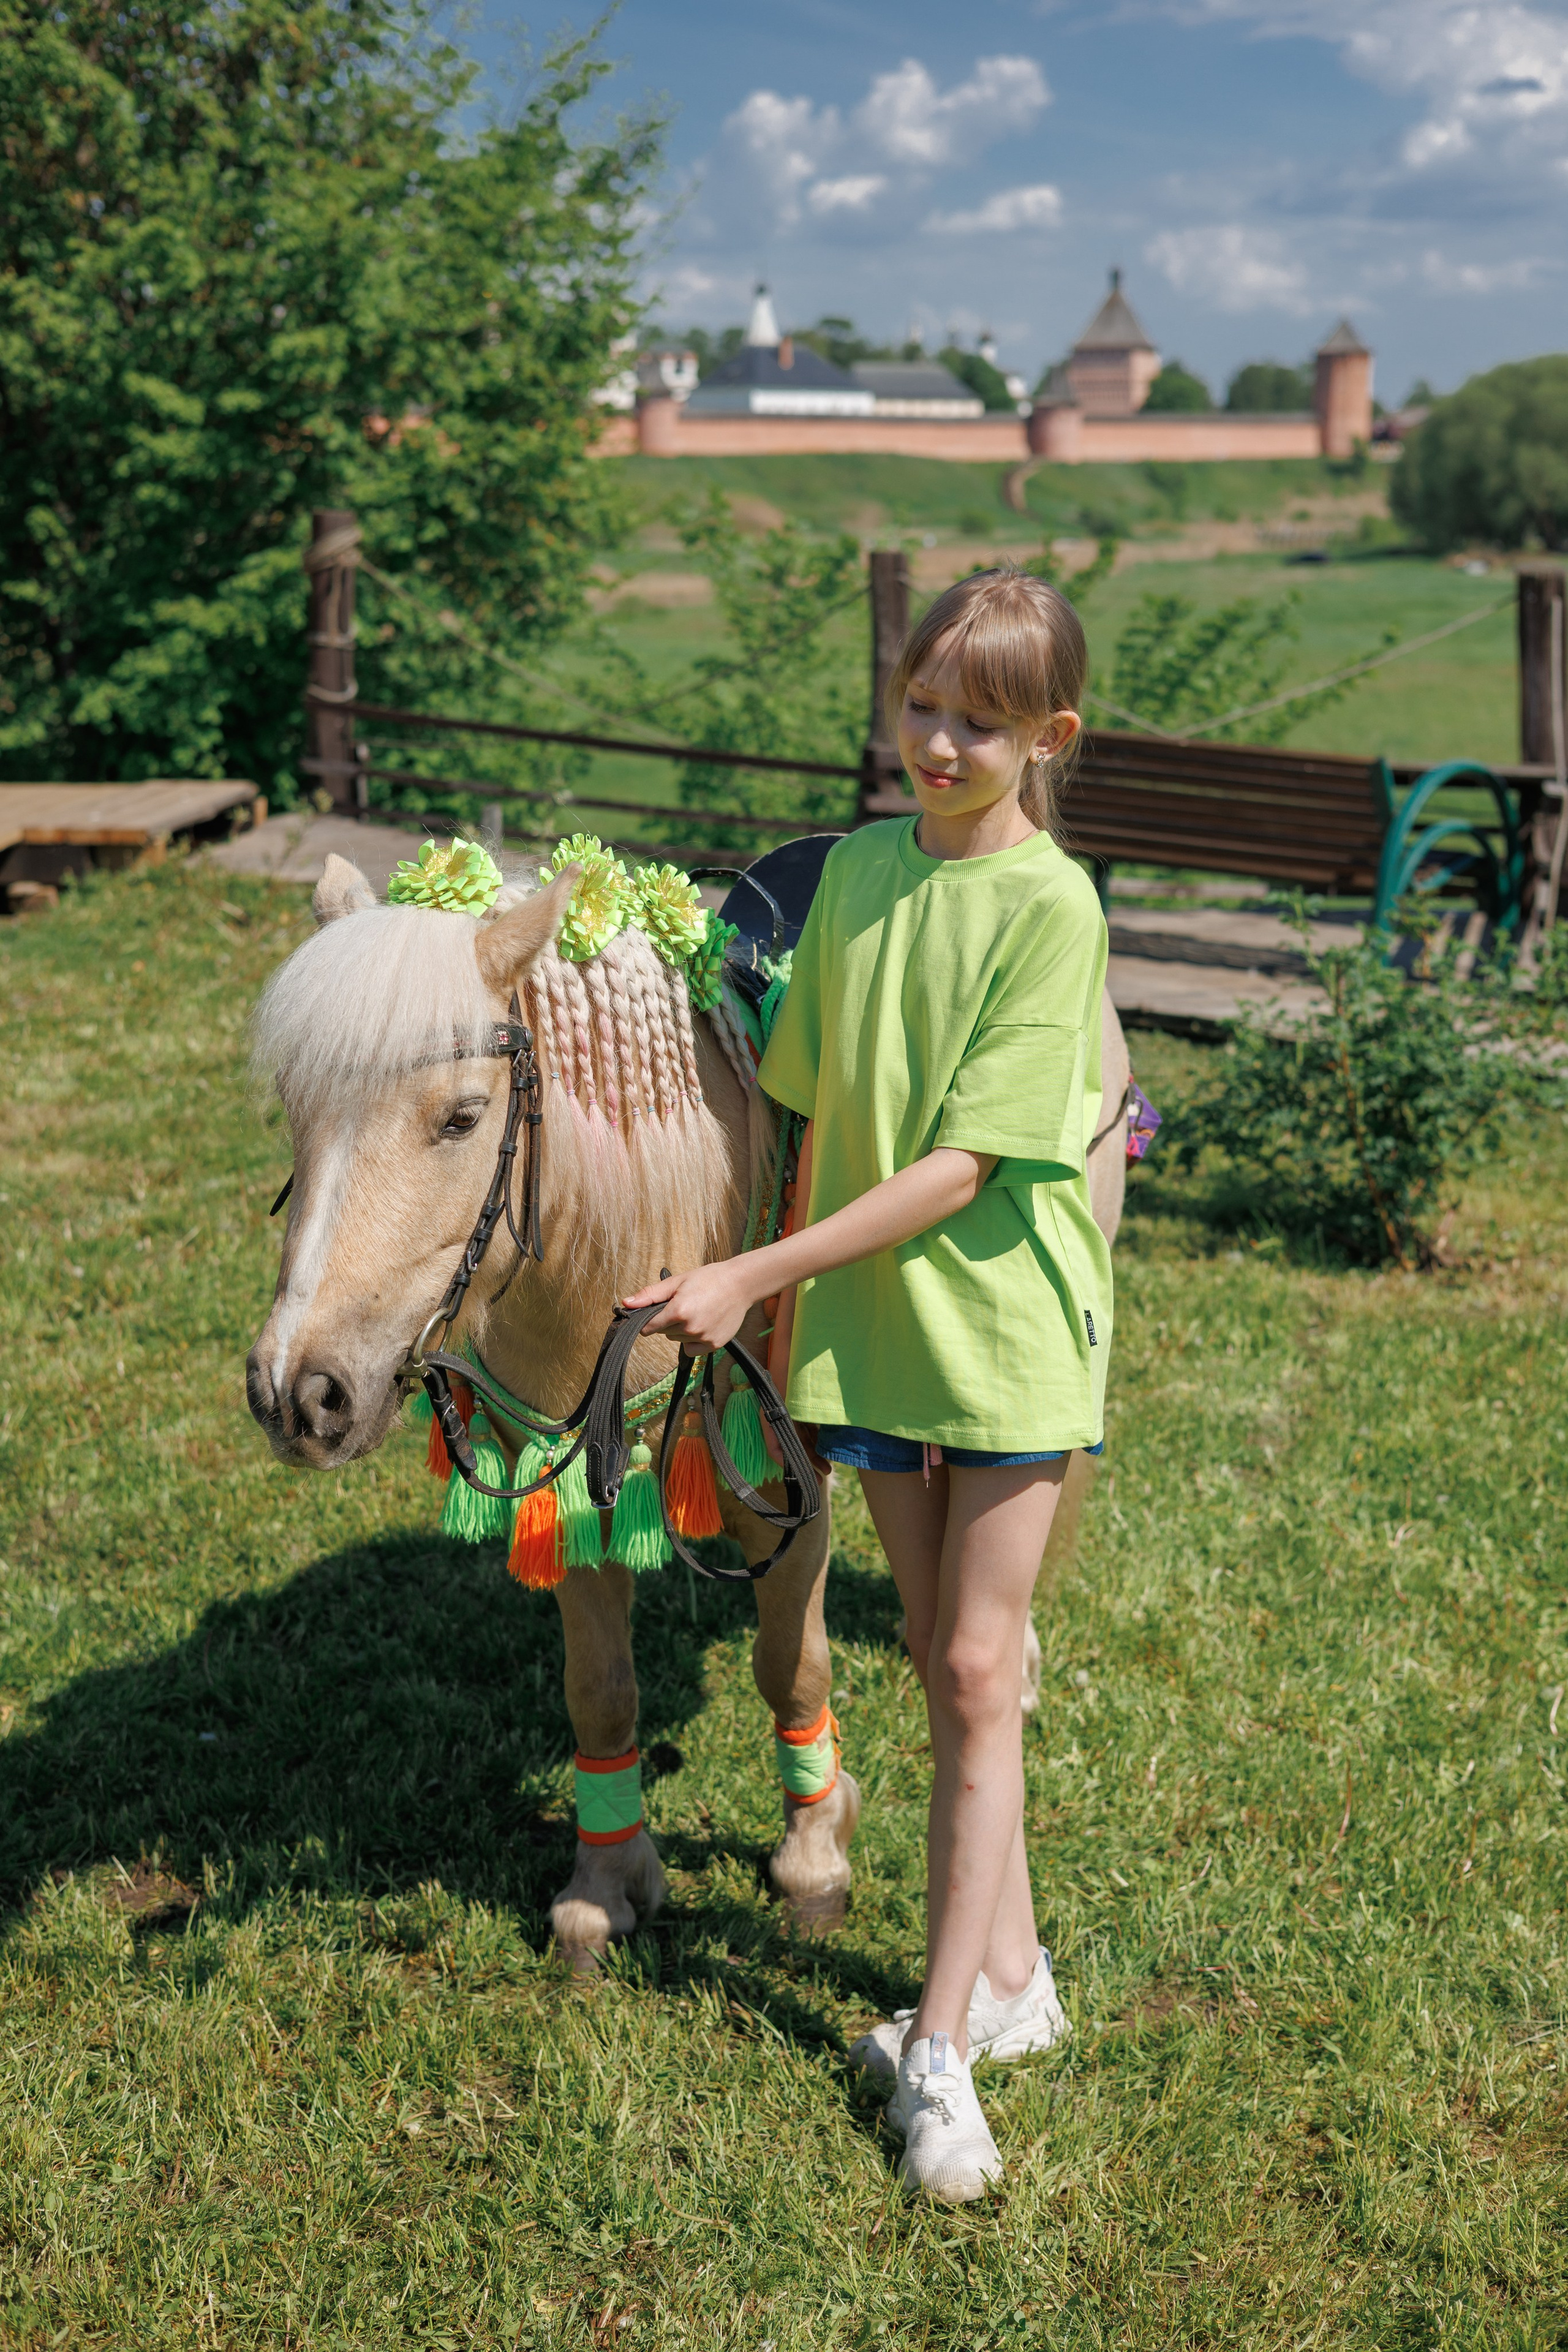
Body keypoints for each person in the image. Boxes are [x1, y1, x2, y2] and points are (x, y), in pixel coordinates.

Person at [624, 567, 1112, 2203]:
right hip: (865, 1335)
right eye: (920, 708)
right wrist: (778, 1305)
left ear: (1048, 737)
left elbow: (970, 1161)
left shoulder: (1053, 908)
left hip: (1008, 1333)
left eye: (978, 725)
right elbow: (817, 1101)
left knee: (978, 1667)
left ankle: (946, 2055)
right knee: (942, 1665)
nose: (937, 745)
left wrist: (758, 1277)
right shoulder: (858, 878)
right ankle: (1015, 1979)